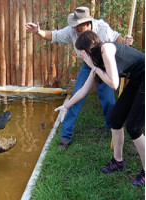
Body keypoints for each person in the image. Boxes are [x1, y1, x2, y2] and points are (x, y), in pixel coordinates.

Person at [25, 6, 133, 151]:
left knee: (108, 100)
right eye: (74, 25)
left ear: (88, 23)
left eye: (79, 26)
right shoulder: (72, 30)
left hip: (104, 65)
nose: (75, 29)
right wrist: (38, 31)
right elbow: (53, 35)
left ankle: (112, 129)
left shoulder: (102, 28)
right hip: (88, 65)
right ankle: (65, 137)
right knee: (76, 96)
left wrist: (125, 41)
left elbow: (117, 38)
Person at [59, 30, 144, 186]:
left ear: (86, 50)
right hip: (137, 79)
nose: (80, 56)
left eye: (81, 53)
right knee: (115, 119)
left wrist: (93, 66)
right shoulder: (97, 63)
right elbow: (83, 90)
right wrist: (66, 105)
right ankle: (118, 161)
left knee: (133, 127)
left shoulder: (106, 49)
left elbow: (114, 84)